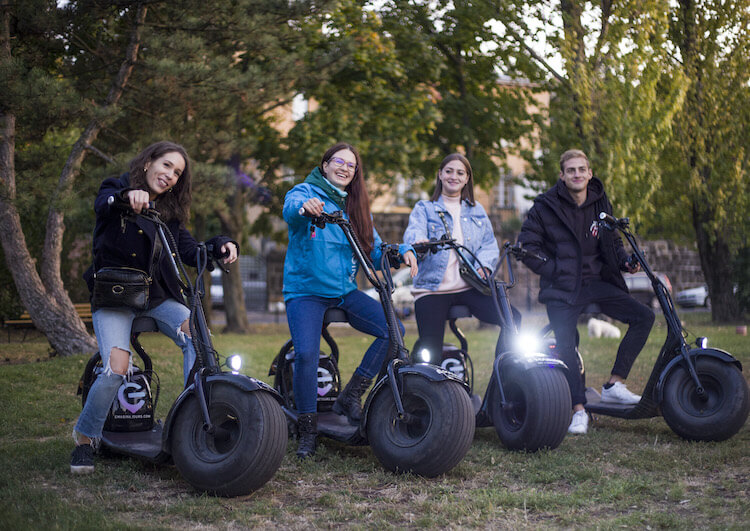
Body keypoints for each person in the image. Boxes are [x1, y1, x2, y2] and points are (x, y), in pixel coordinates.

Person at [71, 141, 239, 474]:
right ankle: (85, 439)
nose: (171, 176)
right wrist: (126, 199)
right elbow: (102, 205)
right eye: (166, 166)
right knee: (116, 369)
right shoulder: (117, 189)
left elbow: (191, 251)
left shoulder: (169, 214)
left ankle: (192, 418)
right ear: (148, 163)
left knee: (198, 338)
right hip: (116, 297)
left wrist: (221, 244)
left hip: (157, 299)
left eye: (177, 173)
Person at [282, 142, 418, 459]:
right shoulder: (305, 192)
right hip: (305, 291)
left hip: (343, 292)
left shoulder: (355, 206)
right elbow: (293, 211)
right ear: (325, 164)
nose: (345, 168)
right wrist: (307, 209)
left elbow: (376, 248)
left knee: (393, 329)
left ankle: (351, 395)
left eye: (351, 166)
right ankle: (307, 429)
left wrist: (402, 250)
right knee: (306, 354)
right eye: (339, 162)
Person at [517, 149, 655, 435]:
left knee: (644, 316)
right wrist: (556, 270)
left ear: (589, 173)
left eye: (582, 169)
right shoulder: (545, 206)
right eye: (571, 170)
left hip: (596, 283)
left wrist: (625, 262)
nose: (577, 174)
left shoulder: (599, 201)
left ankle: (614, 385)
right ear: (562, 175)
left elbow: (612, 241)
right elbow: (527, 248)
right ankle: (578, 410)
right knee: (566, 344)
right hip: (562, 287)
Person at [403, 153, 521, 365]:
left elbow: (488, 244)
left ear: (467, 178)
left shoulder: (476, 210)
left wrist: (483, 267)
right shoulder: (424, 208)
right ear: (440, 175)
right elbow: (413, 234)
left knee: (514, 319)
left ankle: (503, 374)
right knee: (430, 352)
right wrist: (419, 242)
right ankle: (423, 390)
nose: (453, 176)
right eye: (448, 171)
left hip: (469, 287)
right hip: (432, 290)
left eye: (460, 173)